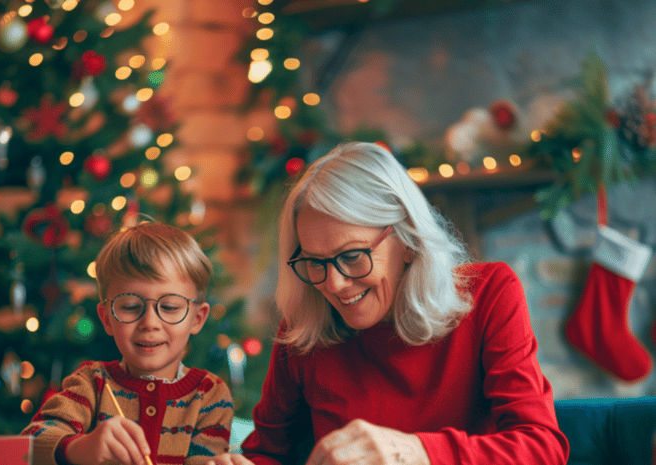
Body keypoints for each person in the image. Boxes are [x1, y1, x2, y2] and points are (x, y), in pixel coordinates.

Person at [208, 141, 568, 465]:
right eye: (315, 263)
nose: (333, 284)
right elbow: (268, 453)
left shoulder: (488, 294)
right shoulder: (306, 327)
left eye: (352, 256)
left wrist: (415, 451)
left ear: (408, 240)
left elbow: (542, 449)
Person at [22, 221, 234, 465]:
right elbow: (30, 443)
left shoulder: (210, 394)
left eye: (169, 307)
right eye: (131, 307)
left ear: (197, 319)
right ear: (106, 318)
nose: (150, 323)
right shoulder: (91, 383)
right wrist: (80, 447)